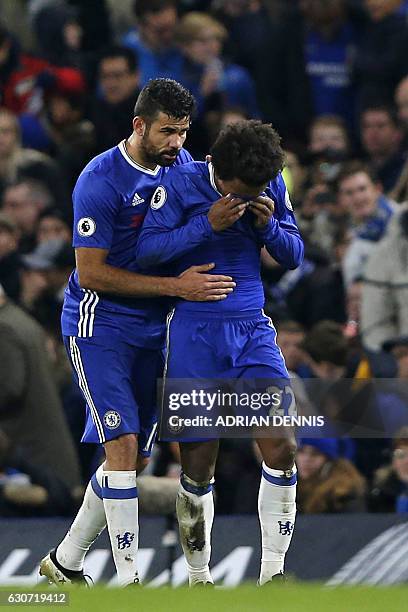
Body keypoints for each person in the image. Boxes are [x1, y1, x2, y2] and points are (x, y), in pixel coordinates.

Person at [39, 78, 236, 588]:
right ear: (139, 125)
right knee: (122, 443)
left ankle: (65, 562)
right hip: (99, 322)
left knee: (135, 456)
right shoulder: (100, 181)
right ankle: (128, 581)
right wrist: (177, 286)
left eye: (184, 132)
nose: (177, 143)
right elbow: (92, 274)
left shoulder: (183, 165)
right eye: (167, 132)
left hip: (157, 323)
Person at [136, 120, 304, 586]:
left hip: (252, 329)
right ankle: (199, 578)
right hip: (193, 331)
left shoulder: (266, 183)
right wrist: (204, 226)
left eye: (256, 191)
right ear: (217, 171)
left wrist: (270, 227)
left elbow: (294, 254)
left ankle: (274, 574)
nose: (248, 197)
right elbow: (147, 251)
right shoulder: (179, 184)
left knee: (282, 445)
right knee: (197, 461)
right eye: (239, 191)